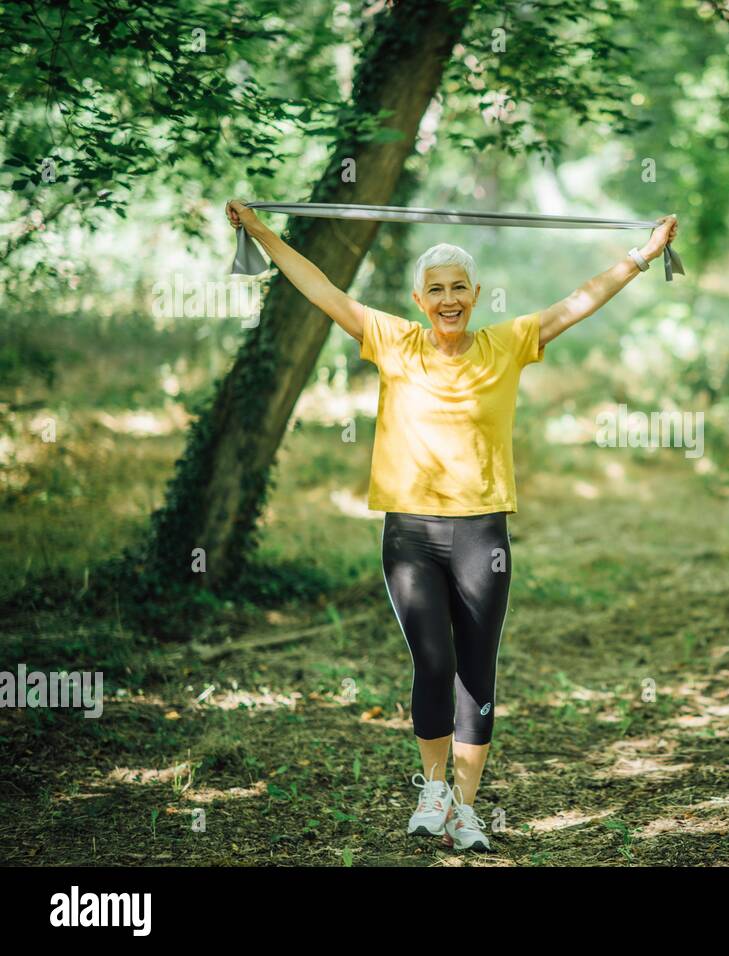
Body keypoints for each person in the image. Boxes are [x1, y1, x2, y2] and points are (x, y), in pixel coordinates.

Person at [225, 199, 679, 851]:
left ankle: (466, 809)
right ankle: (433, 789)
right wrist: (262, 232)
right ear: (418, 298)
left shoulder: (508, 344)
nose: (447, 298)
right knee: (431, 661)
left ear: (475, 296)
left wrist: (643, 254)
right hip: (410, 534)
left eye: (458, 287)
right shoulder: (392, 340)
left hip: (481, 536)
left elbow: (580, 301)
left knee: (476, 669)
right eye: (435, 289)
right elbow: (321, 288)